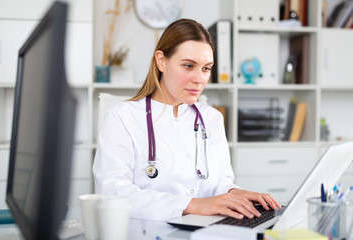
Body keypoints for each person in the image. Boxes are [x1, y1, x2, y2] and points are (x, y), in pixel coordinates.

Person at [93, 18, 281, 221]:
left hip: (205, 230)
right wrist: (193, 205)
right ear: (161, 61)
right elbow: (112, 192)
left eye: (206, 68)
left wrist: (235, 193)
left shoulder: (212, 118)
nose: (199, 79)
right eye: (189, 65)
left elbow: (221, 181)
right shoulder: (122, 117)